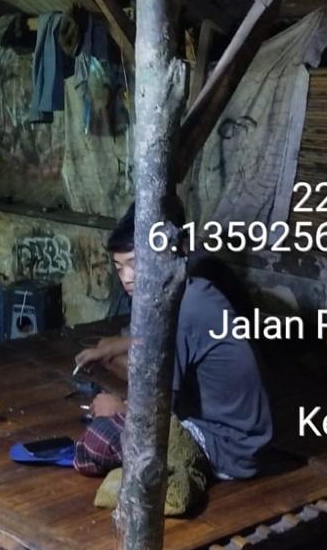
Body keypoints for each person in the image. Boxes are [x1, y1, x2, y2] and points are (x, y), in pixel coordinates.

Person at [73, 204, 273, 484]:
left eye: (135, 263)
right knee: (116, 362)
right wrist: (113, 347)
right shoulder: (188, 290)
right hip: (232, 434)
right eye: (119, 268)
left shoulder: (186, 306)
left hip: (228, 447)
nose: (127, 277)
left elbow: (158, 406)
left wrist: (118, 408)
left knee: (98, 442)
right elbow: (154, 351)